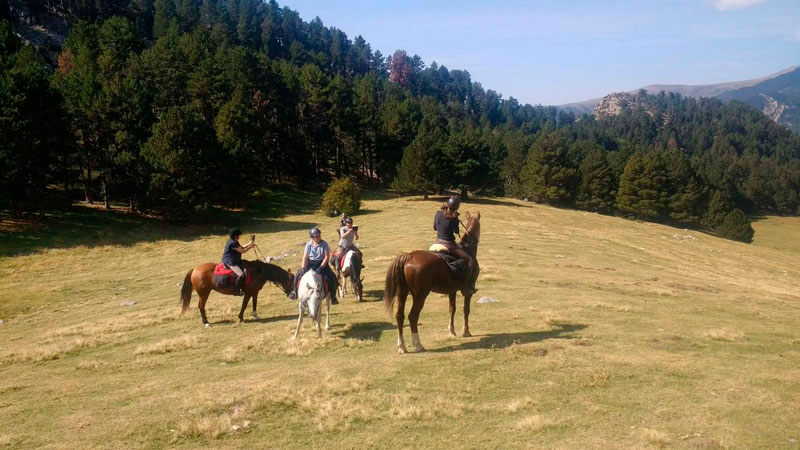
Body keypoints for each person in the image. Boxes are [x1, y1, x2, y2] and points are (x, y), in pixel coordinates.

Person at [433, 196, 477, 295]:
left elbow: (435, 228)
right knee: (470, 261)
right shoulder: (454, 218)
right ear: (457, 207)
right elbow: (457, 232)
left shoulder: (438, 213)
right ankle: (465, 287)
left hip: (436, 242)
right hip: (449, 245)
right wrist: (456, 219)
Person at [288, 227, 339, 304]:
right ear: (312, 237)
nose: (318, 237)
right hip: (310, 263)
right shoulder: (309, 245)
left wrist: (321, 267)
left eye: (319, 235)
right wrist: (303, 267)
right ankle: (294, 291)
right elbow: (305, 257)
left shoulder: (324, 244)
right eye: (316, 236)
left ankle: (333, 297)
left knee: (331, 276)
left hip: (322, 263)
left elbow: (326, 257)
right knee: (298, 274)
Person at [222, 228, 256, 296]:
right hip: (230, 262)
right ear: (235, 236)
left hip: (235, 260)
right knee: (241, 274)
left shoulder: (234, 241)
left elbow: (241, 247)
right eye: (239, 235)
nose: (239, 236)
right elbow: (243, 251)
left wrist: (249, 243)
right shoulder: (233, 243)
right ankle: (236, 290)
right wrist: (251, 247)